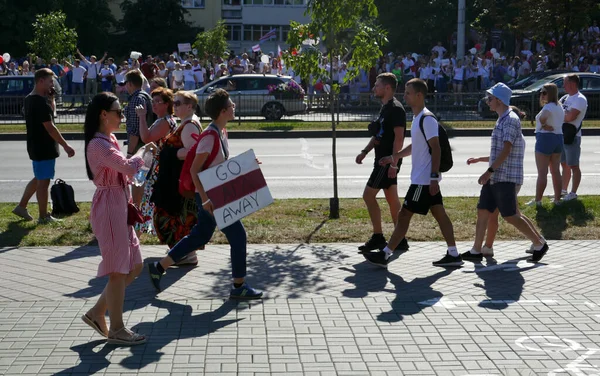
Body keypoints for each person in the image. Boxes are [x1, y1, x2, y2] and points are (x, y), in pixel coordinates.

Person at [147, 89, 263, 300]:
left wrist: (247, 166)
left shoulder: (221, 132)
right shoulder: (209, 136)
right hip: (212, 196)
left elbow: (219, 163)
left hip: (214, 194)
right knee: (238, 236)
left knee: (200, 235)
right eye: (231, 105)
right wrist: (207, 199)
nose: (234, 107)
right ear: (222, 111)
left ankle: (158, 267)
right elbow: (194, 170)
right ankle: (238, 286)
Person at [362, 78, 462, 268]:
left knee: (404, 215)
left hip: (423, 181)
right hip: (425, 180)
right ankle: (453, 254)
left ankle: (385, 254)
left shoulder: (427, 118)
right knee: (440, 215)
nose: (404, 96)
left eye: (408, 93)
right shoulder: (418, 118)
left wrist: (433, 178)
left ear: (419, 95)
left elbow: (436, 148)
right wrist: (395, 157)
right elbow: (417, 146)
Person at [82, 92, 146, 345]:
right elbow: (130, 167)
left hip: (120, 203)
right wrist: (142, 151)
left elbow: (127, 171)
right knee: (118, 270)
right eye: (119, 112)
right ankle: (118, 329)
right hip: (109, 206)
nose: (122, 116)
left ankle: (97, 312)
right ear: (103, 114)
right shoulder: (98, 144)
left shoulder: (108, 139)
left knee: (136, 265)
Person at [462, 83, 548, 264]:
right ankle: (477, 250)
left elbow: (507, 149)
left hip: (505, 177)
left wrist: (489, 171)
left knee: (510, 215)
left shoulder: (510, 119)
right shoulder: (502, 119)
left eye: (490, 98)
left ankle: (539, 243)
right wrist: (482, 161)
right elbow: (499, 152)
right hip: (496, 177)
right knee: (483, 211)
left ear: (499, 100)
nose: (487, 102)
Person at [12, 68, 75, 223]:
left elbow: (50, 116)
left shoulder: (31, 98)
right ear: (41, 81)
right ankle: (43, 216)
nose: (52, 84)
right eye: (50, 81)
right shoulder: (39, 102)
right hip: (43, 147)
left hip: (36, 146)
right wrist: (66, 146)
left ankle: (21, 207)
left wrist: (51, 99)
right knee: (43, 182)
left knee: (39, 178)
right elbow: (50, 127)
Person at [355, 73, 408, 254]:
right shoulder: (385, 108)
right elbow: (379, 134)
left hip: (386, 162)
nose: (373, 88)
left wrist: (394, 163)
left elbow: (399, 139)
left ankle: (378, 237)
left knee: (368, 196)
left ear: (387, 88)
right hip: (383, 159)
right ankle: (400, 239)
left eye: (377, 85)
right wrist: (365, 151)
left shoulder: (396, 109)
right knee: (392, 199)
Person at [152, 90, 202, 266]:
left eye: (179, 103)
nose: (175, 106)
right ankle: (183, 251)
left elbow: (192, 152)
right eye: (174, 102)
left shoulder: (189, 126)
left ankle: (186, 253)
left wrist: (169, 153)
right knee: (178, 215)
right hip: (178, 179)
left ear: (189, 106)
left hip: (180, 181)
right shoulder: (187, 122)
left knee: (174, 216)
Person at [134, 87, 177, 235]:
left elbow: (146, 138)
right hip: (158, 165)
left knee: (150, 199)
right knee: (149, 199)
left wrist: (141, 116)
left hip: (159, 168)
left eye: (158, 101)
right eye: (153, 101)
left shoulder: (165, 121)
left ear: (167, 104)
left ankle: (139, 237)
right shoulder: (163, 120)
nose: (154, 104)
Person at [526, 83, 564, 206]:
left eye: (544, 93)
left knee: (542, 172)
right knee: (556, 171)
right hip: (558, 137)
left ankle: (538, 201)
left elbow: (543, 118)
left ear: (550, 94)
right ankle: (557, 200)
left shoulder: (548, 107)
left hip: (545, 138)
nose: (541, 95)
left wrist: (544, 125)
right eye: (541, 93)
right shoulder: (559, 106)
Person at [560, 74, 588, 201]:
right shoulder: (565, 97)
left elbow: (570, 117)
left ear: (572, 83)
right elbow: (557, 113)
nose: (563, 85)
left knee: (574, 165)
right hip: (562, 135)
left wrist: (562, 115)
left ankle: (573, 193)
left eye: (565, 83)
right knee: (564, 164)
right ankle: (563, 191)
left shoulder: (580, 99)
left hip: (573, 136)